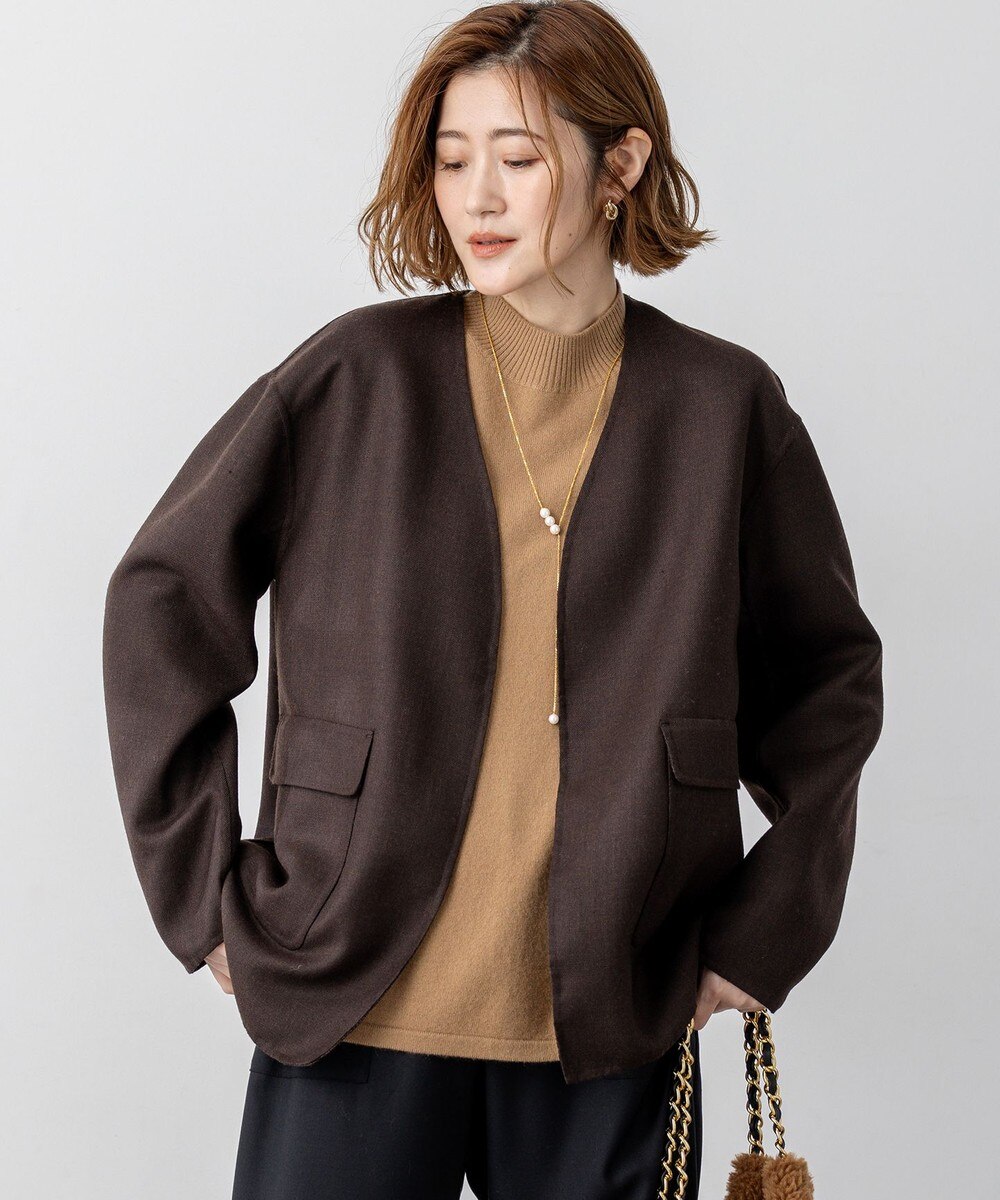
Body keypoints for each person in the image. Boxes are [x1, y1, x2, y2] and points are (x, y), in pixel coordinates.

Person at [102, 3, 883, 1198]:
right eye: (452, 159)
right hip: (350, 989)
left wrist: (764, 933)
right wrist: (204, 902)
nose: (478, 197)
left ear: (620, 165)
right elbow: (163, 600)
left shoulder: (723, 407)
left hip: (613, 1005)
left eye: (518, 159)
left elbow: (828, 681)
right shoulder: (355, 376)